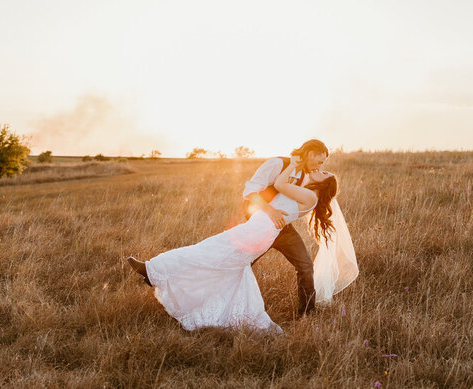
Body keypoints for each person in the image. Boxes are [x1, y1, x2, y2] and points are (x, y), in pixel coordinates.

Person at [126, 157, 337, 332]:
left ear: (324, 184)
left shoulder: (310, 195)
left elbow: (281, 185)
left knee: (205, 252)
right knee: (229, 268)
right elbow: (263, 190)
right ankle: (219, 309)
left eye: (324, 172)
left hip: (258, 232)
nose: (320, 169)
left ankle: (152, 270)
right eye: (321, 165)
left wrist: (293, 164)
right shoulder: (300, 183)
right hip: (257, 228)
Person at [239, 139, 329, 317]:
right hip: (261, 226)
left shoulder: (305, 177)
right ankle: (235, 305)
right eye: (319, 161)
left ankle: (307, 313)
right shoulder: (277, 164)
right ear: (311, 154)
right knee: (243, 263)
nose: (319, 166)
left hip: (283, 229)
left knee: (305, 265)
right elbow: (249, 193)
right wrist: (270, 212)